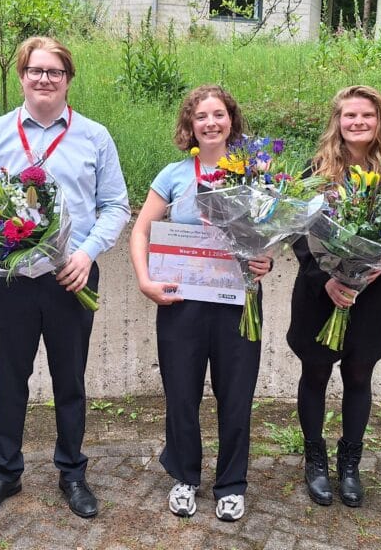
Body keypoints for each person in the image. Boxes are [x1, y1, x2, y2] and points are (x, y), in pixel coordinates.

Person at [0, 36, 130, 522]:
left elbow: (116, 205)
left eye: (54, 72)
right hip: (10, 281)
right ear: (22, 76)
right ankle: (4, 473)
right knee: (10, 380)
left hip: (71, 280)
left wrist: (88, 254)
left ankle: (72, 471)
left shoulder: (95, 136)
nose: (44, 79)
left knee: (69, 380)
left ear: (68, 78)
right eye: (35, 70)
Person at [129, 85, 271, 522]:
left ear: (232, 120)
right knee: (182, 393)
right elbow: (140, 232)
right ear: (189, 125)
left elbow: (270, 234)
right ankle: (185, 478)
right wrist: (144, 280)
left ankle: (231, 485)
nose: (211, 123)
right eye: (201, 116)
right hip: (181, 302)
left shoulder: (256, 171)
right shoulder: (173, 174)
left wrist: (265, 257)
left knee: (236, 396)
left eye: (219, 114)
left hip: (238, 300)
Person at [285, 85, 381, 508]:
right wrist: (329, 279)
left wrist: (375, 271)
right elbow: (297, 233)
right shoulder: (316, 170)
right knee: (316, 374)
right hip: (320, 293)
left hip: (370, 297)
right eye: (349, 115)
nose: (358, 122)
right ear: (337, 122)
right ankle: (314, 460)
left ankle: (350, 464)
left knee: (359, 376)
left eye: (367, 116)